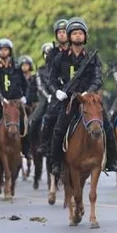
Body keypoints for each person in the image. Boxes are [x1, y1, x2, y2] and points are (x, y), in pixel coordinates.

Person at [48, 17, 117, 177]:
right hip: (69, 101)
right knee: (58, 129)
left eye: (81, 33)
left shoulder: (92, 57)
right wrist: (57, 91)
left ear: (85, 36)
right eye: (74, 33)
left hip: (88, 100)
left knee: (107, 126)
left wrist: (90, 91)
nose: (78, 36)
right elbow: (51, 79)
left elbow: (98, 77)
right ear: (69, 36)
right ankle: (56, 163)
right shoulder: (59, 58)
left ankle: (111, 161)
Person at [38, 19, 69, 156]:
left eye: (65, 32)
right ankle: (45, 145)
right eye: (60, 32)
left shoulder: (79, 52)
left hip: (77, 93)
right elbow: (50, 77)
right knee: (50, 117)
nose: (62, 35)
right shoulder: (52, 54)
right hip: (59, 93)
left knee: (99, 116)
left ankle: (108, 152)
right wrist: (56, 91)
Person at [28, 43, 53, 149]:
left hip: (59, 97)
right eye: (46, 54)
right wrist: (48, 96)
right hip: (44, 98)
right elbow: (40, 86)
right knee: (33, 120)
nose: (49, 56)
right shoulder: (40, 70)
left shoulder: (61, 68)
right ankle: (32, 144)